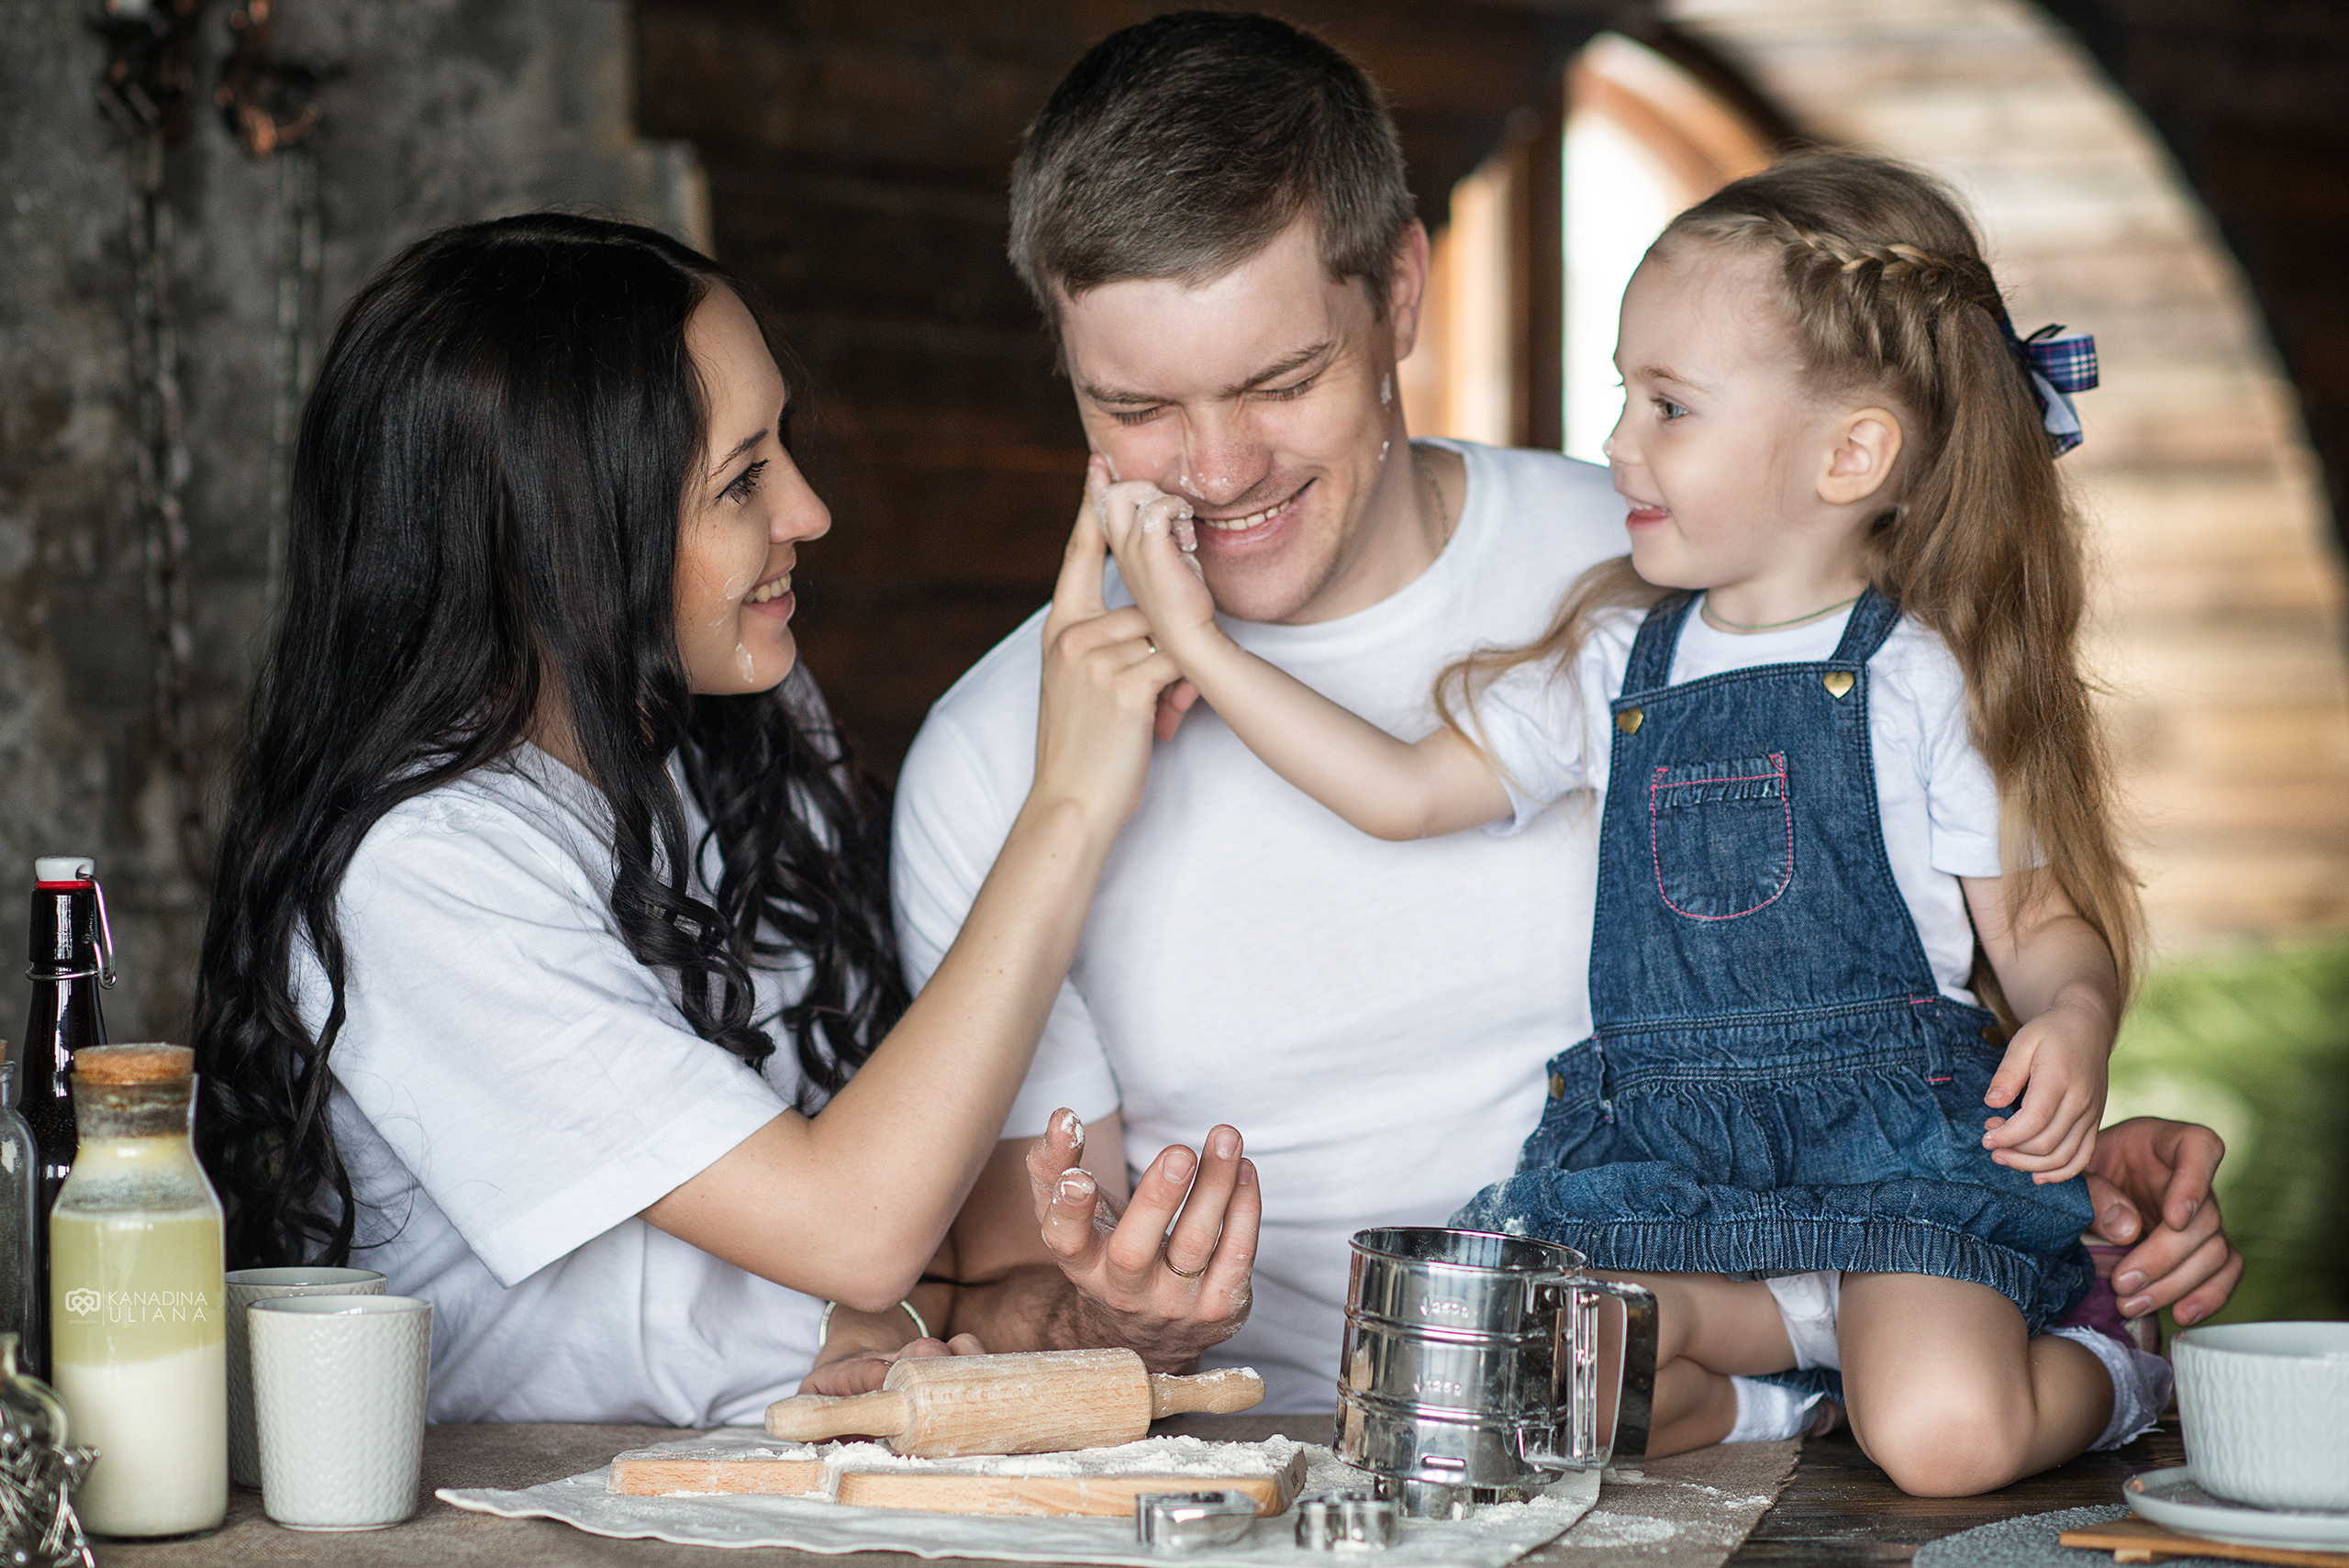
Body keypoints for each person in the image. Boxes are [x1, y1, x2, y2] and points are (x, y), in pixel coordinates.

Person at [897, 12, 2244, 1416]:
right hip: (1360, 1446)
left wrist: (2087, 1177)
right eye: (1135, 408)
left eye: (1279, 382)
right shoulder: (997, 758)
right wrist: (1127, 1322)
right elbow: (1008, 1291)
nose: (1220, 468)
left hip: (1837, 1416)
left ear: (1401, 291)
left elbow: (1944, 957)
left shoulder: (1693, 565)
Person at [1096, 150, 2171, 1493]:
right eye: (1623, 394)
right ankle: (1779, 1392)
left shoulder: (1922, 677)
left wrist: (2076, 1016)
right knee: (1529, 1389)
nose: (1617, 444)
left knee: (1942, 1440)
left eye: (1668, 406)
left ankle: (2113, 1361)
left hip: (1895, 1174)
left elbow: (2042, 924)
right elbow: (1399, 791)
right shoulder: (1616, 658)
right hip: (1682, 1176)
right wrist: (1200, 643)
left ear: (1850, 454)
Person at [190, 213, 1185, 1424]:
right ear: (560, 542)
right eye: (742, 479)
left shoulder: (735, 721)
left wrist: (958, 1319)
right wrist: (1068, 801)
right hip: (529, 1501)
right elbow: (858, 1228)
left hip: (792, 1456)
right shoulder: (421, 871)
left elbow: (910, 1240)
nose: (809, 511)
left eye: (784, 448)